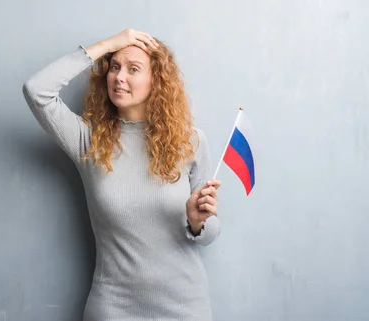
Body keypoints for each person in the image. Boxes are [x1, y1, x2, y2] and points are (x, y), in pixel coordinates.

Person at [22, 28, 222, 321]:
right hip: (113, 309)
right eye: (114, 67)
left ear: (157, 81)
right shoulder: (89, 141)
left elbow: (212, 230)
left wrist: (197, 222)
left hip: (185, 307)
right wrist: (107, 45)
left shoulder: (190, 142)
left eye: (133, 69)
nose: (119, 76)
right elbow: (36, 91)